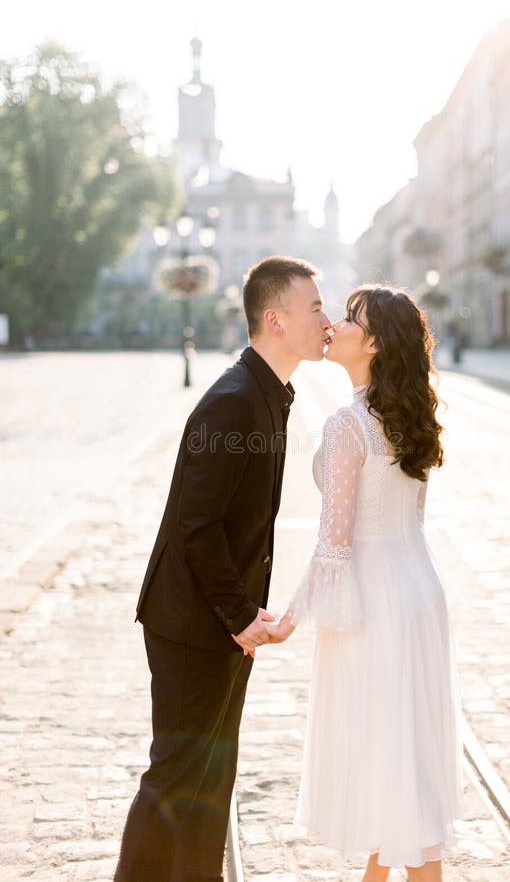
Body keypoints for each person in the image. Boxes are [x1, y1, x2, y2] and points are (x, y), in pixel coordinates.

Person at [114, 256, 332, 882]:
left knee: (210, 781)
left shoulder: (267, 394)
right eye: (314, 307)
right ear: (275, 319)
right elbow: (196, 525)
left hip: (218, 622)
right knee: (177, 777)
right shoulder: (234, 404)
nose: (325, 318)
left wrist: (240, 615)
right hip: (192, 625)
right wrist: (239, 615)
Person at [267, 284, 465, 882]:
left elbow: (334, 547)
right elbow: (412, 519)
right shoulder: (409, 417)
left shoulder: (350, 426)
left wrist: (286, 620)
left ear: (374, 343)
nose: (334, 325)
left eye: (349, 319)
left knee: (389, 764)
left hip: (374, 606)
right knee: (404, 769)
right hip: (419, 592)